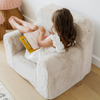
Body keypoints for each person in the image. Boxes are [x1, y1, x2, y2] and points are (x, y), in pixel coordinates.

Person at [9, 8, 77, 63]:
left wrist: (42, 33)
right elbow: (57, 38)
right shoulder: (70, 35)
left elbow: (40, 43)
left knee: (28, 31)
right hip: (45, 45)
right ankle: (20, 21)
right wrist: (51, 34)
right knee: (35, 27)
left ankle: (15, 24)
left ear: (57, 26)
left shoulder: (52, 40)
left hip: (36, 54)